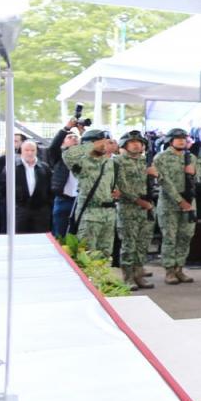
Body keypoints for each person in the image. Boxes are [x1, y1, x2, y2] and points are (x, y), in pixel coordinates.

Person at [61, 128, 118, 256]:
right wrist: (92, 145)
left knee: (105, 255)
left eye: (106, 141)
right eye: (101, 142)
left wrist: (117, 192)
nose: (104, 145)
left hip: (108, 215)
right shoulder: (81, 162)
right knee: (86, 255)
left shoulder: (110, 163)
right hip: (89, 215)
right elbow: (67, 155)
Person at [152, 128, 198, 284]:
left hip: (189, 203)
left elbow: (198, 179)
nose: (181, 141)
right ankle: (169, 271)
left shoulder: (191, 157)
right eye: (178, 138)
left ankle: (179, 268)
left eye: (184, 138)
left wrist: (193, 173)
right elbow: (164, 181)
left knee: (185, 236)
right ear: (170, 140)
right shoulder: (161, 158)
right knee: (170, 238)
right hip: (169, 204)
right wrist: (180, 201)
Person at [114, 132, 153, 289]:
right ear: (125, 145)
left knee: (142, 244)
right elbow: (122, 186)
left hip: (145, 207)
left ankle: (139, 275)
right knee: (129, 245)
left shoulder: (144, 161)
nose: (136, 145)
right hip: (128, 208)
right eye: (132, 142)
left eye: (139, 142)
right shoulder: (118, 161)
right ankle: (128, 277)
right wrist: (139, 201)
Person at [3, 139, 52, 233]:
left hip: (41, 212)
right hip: (19, 210)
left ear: (36, 151)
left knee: (39, 237)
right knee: (19, 237)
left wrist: (47, 206)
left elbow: (50, 188)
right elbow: (3, 188)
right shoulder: (12, 167)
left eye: (32, 150)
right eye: (27, 150)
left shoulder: (44, 167)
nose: (30, 153)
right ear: (21, 151)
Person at [47, 121, 82, 238]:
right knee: (60, 234)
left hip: (80, 200)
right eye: (69, 137)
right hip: (63, 200)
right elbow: (53, 147)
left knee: (79, 235)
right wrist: (66, 128)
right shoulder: (59, 157)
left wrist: (82, 132)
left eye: (75, 137)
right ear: (63, 142)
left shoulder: (85, 157)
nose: (73, 139)